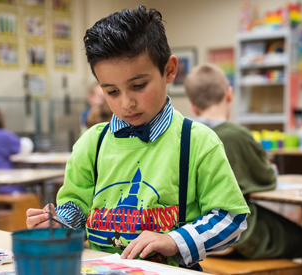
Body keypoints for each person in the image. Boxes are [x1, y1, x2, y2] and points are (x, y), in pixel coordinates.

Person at [26, 6, 250, 270]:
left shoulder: (197, 141)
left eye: (138, 86)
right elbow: (76, 205)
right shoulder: (92, 143)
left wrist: (174, 240)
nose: (127, 103)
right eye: (111, 91)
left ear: (169, 70)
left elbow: (231, 218)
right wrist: (58, 221)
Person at [184, 63, 302, 259]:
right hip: (234, 235)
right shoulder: (237, 136)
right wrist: (272, 169)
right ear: (229, 94)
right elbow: (266, 179)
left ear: (193, 106)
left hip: (192, 235)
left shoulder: (184, 135)